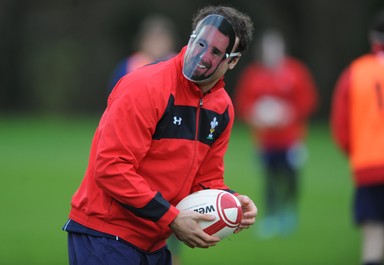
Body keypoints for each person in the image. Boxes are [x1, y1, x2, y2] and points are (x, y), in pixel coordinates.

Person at [62, 5, 257, 265]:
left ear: (233, 61)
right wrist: (172, 218)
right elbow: (111, 167)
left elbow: (206, 179)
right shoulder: (145, 86)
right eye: (200, 43)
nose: (203, 56)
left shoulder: (222, 108)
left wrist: (232, 202)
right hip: (105, 236)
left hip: (155, 242)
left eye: (216, 52)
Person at [234, 29, 318, 238]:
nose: (272, 52)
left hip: (291, 139)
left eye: (276, 47)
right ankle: (271, 216)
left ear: (282, 48)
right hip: (265, 141)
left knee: (290, 177)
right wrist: (255, 114)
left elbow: (308, 100)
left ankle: (288, 213)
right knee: (269, 178)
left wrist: (290, 112)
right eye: (268, 48)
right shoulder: (254, 75)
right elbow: (243, 103)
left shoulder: (295, 71)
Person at [330, 10, 384, 265]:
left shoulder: (355, 72)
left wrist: (360, 150)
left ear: (373, 36)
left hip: (369, 165)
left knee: (373, 235)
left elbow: (341, 129)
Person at [107, 14, 177, 92]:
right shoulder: (127, 66)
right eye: (152, 38)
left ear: (172, 41)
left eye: (162, 38)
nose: (156, 43)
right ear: (141, 41)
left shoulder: (181, 66)